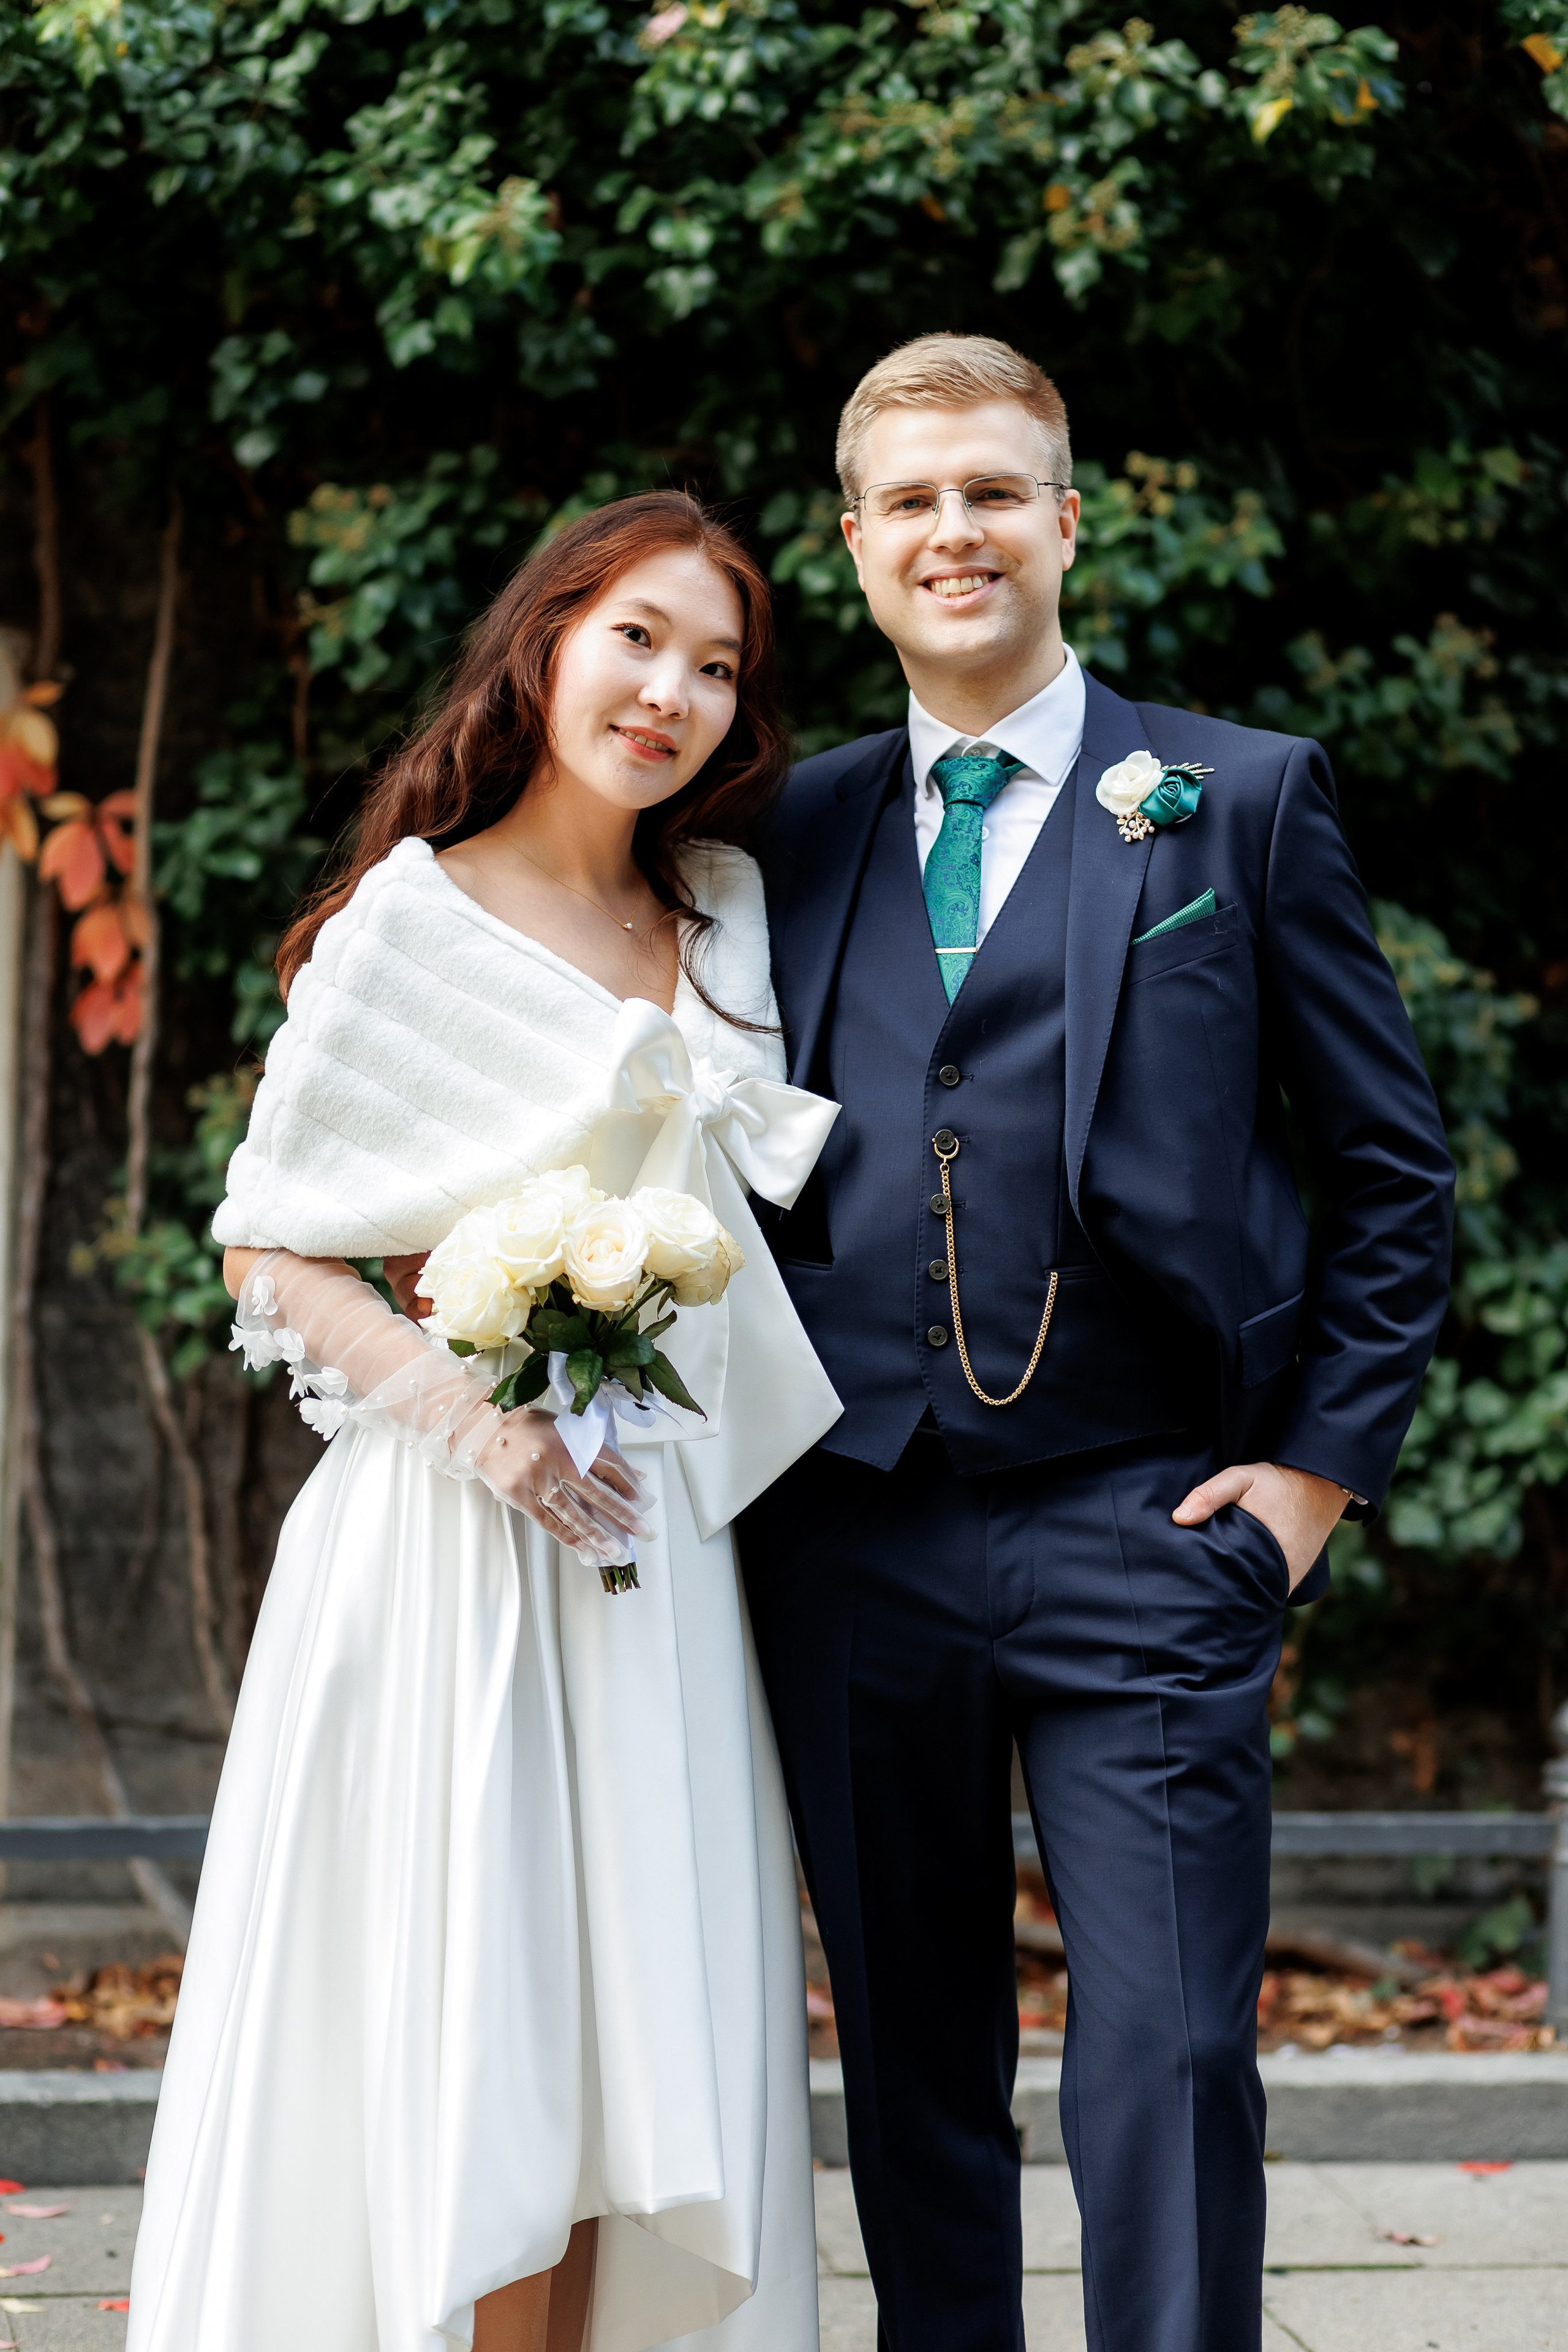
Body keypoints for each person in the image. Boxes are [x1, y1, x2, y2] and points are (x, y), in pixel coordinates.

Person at [739, 335, 1455, 2352]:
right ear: (857, 544)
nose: (953, 531)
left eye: (994, 490)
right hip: (853, 1535)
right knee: (910, 2064)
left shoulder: (1239, 800)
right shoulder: (784, 830)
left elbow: (1392, 1171)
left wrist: (1308, 1485)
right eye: (912, 501)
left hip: (1153, 1519)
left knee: (1174, 2054)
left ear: (1066, 520)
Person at [128, 493, 842, 2352]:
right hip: (457, 1546)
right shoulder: (411, 922)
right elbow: (270, 1247)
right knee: (494, 2026)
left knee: (637, 2047)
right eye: (638, 639)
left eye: (716, 668)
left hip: (663, 1551)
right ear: (546, 644)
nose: (671, 692)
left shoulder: (730, 912)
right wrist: (478, 1417)